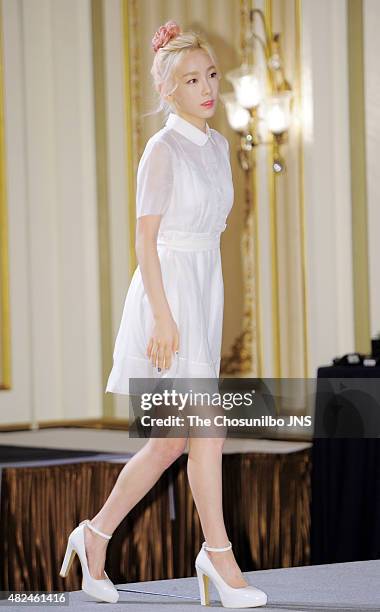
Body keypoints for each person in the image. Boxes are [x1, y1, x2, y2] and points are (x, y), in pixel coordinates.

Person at [59, 21, 267, 608]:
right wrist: (164, 317)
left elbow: (211, 235)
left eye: (211, 76)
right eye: (190, 79)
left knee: (171, 441)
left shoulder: (221, 146)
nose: (206, 88)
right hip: (167, 294)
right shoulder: (163, 148)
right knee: (206, 431)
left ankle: (94, 537)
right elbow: (145, 241)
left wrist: (198, 313)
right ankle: (219, 557)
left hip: (203, 291)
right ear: (167, 91)